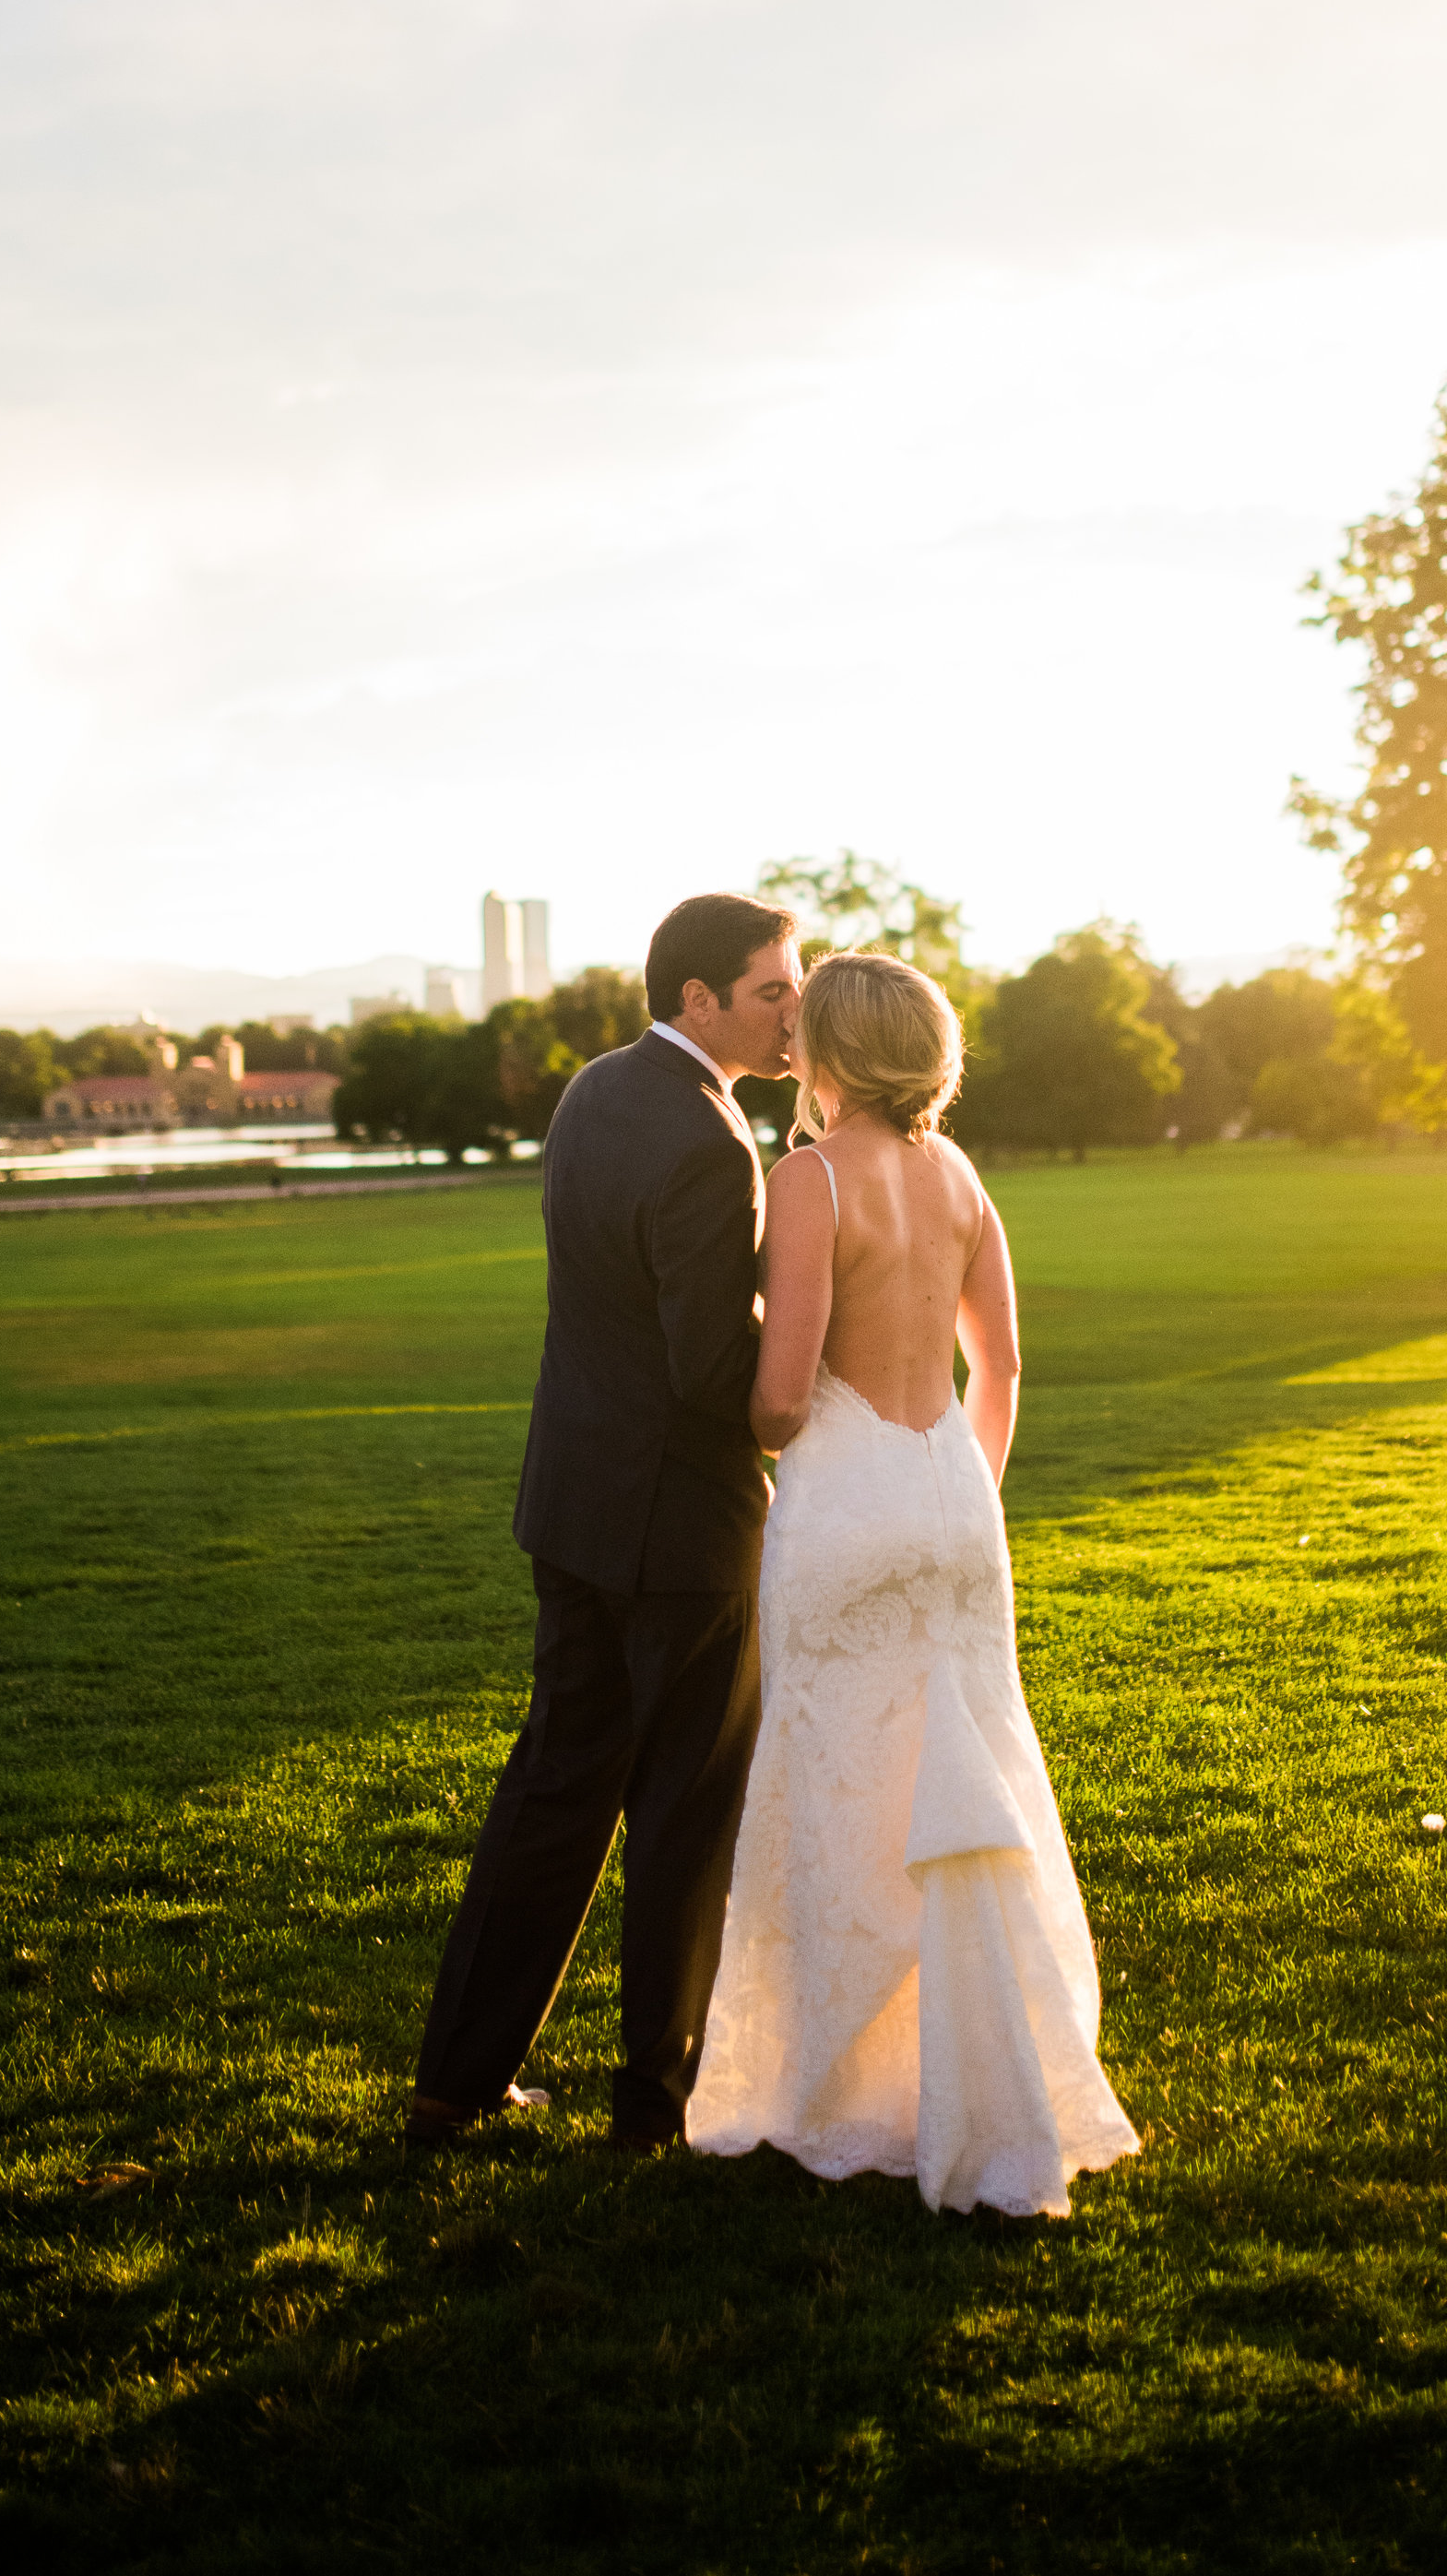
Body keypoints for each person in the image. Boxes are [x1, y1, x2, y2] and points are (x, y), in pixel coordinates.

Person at [687, 950, 1138, 2217]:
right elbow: (997, 1370)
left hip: (844, 1500)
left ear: (830, 1052)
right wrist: (959, 1487)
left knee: (841, 1791)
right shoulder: (958, 1175)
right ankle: (986, 2076)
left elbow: (780, 1402)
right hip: (950, 1498)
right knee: (965, 1789)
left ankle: (841, 2095)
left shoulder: (812, 1178)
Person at [404, 890, 802, 2155]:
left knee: (554, 1791)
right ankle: (654, 2107)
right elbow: (702, 1366)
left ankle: (454, 2082)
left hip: (570, 1501)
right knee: (682, 1813)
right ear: (700, 1000)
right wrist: (807, 1381)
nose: (793, 1008)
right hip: (679, 1528)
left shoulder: (590, 1091)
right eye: (772, 990)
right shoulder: (708, 1137)